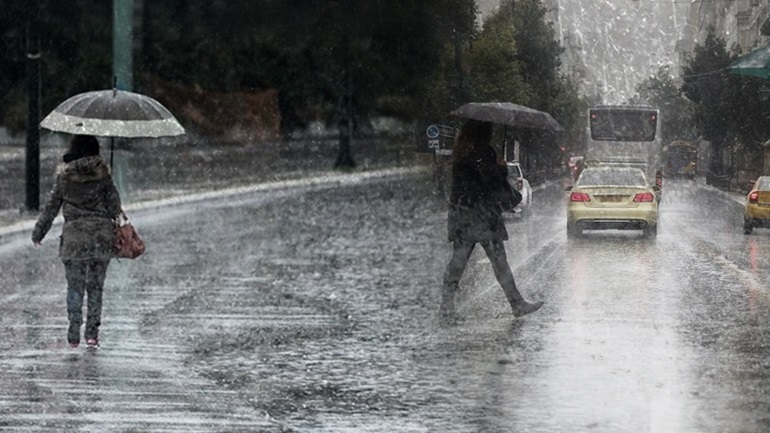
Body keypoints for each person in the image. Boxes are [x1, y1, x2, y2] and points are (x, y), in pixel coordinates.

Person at [440, 120, 543, 323]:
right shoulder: (483, 152)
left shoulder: (460, 155)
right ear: (484, 133)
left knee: (457, 264)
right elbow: (492, 181)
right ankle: (517, 304)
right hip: (483, 217)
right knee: (499, 264)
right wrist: (501, 168)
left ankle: (446, 309)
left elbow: (464, 186)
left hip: (463, 215)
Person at [31, 134, 123, 348]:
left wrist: (39, 232)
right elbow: (115, 208)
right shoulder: (103, 176)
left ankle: (74, 328)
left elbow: (51, 207)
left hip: (74, 240)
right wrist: (108, 184)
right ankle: (92, 333)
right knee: (96, 287)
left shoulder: (64, 177)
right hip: (101, 238)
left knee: (75, 286)